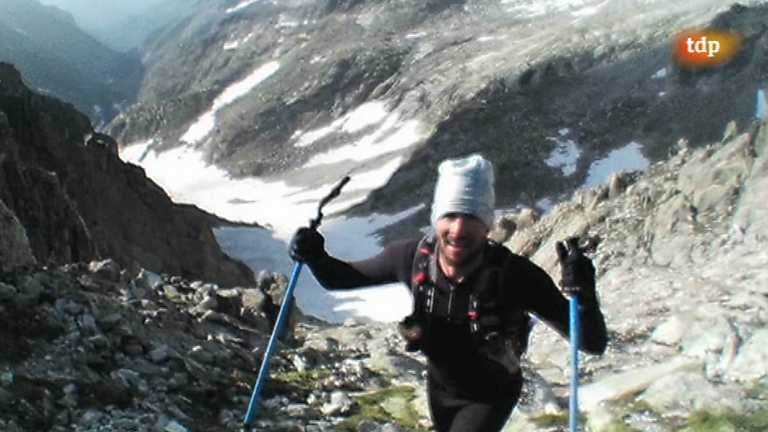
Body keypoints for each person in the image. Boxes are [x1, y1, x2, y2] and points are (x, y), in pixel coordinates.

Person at [289, 154, 608, 432]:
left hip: (491, 396)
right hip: (440, 392)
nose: (458, 229)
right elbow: (341, 279)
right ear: (436, 218)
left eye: (471, 217)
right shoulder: (412, 258)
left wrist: (584, 296)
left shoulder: (514, 276)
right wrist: (315, 256)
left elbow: (591, 343)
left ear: (487, 225)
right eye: (450, 215)